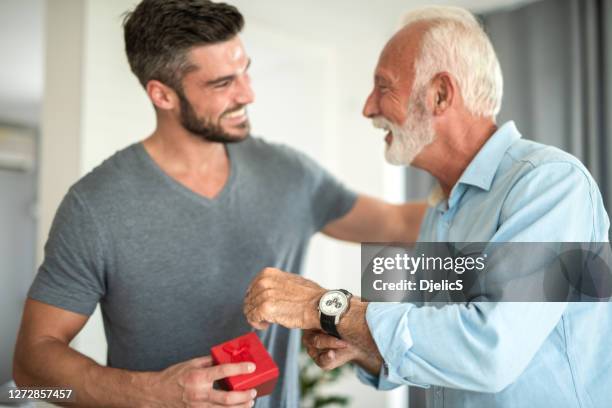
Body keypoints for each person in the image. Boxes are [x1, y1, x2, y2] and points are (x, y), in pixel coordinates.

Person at [11, 1, 427, 407]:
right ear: (163, 95)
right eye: (223, 83)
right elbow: (31, 377)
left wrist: (486, 185)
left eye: (245, 71)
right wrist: (155, 393)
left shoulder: (288, 174)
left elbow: (396, 225)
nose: (248, 94)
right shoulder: (95, 206)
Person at [243, 6, 612, 408]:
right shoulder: (441, 211)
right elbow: (440, 342)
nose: (368, 107)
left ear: (440, 94)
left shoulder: (549, 184)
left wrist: (327, 307)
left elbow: (490, 351)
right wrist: (364, 347)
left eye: (383, 87)